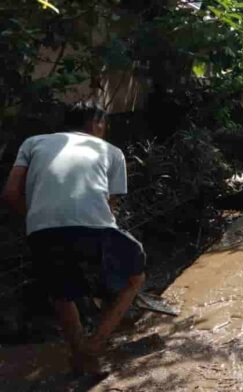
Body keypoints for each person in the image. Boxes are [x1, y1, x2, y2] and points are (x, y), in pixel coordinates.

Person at [1, 102, 146, 373]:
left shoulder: (33, 143)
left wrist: (38, 219)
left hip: (41, 229)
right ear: (96, 123)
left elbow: (10, 194)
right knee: (135, 277)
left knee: (62, 294)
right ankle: (95, 344)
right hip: (95, 227)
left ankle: (82, 356)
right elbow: (108, 207)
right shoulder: (112, 152)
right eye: (104, 124)